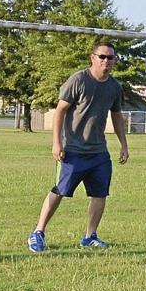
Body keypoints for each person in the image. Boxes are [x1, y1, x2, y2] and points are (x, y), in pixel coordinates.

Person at [27, 41, 129, 253]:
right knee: (59, 191)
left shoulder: (114, 87)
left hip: (99, 152)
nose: (106, 61)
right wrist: (57, 143)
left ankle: (89, 236)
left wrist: (123, 145)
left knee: (100, 194)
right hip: (73, 151)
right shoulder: (79, 80)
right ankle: (38, 232)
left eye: (110, 58)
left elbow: (117, 116)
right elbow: (60, 110)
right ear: (92, 57)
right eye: (102, 56)